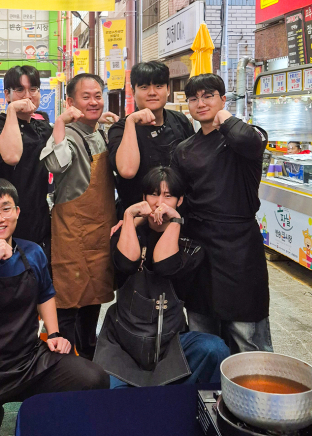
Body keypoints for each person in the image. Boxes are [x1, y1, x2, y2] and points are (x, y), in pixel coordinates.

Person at [0, 179, 109, 436]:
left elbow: (45, 293)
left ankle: (46, 415)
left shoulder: (33, 252)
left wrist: (54, 334)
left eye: (6, 209)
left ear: (17, 212)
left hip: (29, 361)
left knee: (93, 378)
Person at [94, 166, 229, 388]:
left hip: (169, 344)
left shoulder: (190, 245)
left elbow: (165, 266)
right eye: (154, 194)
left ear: (180, 200)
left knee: (215, 350)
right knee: (113, 401)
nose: (159, 202)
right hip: (122, 344)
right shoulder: (128, 232)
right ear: (144, 198)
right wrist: (128, 216)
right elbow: (126, 264)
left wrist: (175, 222)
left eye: (168, 196)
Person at [171, 73, 272, 354]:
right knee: (202, 330)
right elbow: (177, 197)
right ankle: (204, 394)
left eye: (208, 96)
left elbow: (247, 139)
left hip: (239, 247)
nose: (200, 103)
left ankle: (254, 395)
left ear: (223, 100)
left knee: (246, 334)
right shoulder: (184, 149)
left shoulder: (243, 140)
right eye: (193, 98)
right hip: (199, 245)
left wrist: (225, 118)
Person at [39, 73, 119, 359]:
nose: (93, 102)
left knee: (92, 301)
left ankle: (87, 362)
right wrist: (60, 122)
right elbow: (57, 163)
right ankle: (65, 370)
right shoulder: (68, 133)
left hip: (99, 231)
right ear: (70, 101)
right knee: (69, 305)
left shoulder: (98, 131)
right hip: (72, 235)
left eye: (98, 95)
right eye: (86, 97)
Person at [0, 65, 53, 256]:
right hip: (2, 220)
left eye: (33, 89)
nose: (27, 95)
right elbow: (11, 156)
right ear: (7, 94)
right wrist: (12, 110)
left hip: (38, 217)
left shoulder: (44, 128)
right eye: (20, 90)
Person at [108, 61, 195, 214]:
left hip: (178, 218)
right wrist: (131, 121)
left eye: (159, 86)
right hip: (137, 219)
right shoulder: (120, 129)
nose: (152, 92)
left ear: (168, 90)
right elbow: (127, 170)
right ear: (133, 92)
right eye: (144, 87)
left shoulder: (180, 121)